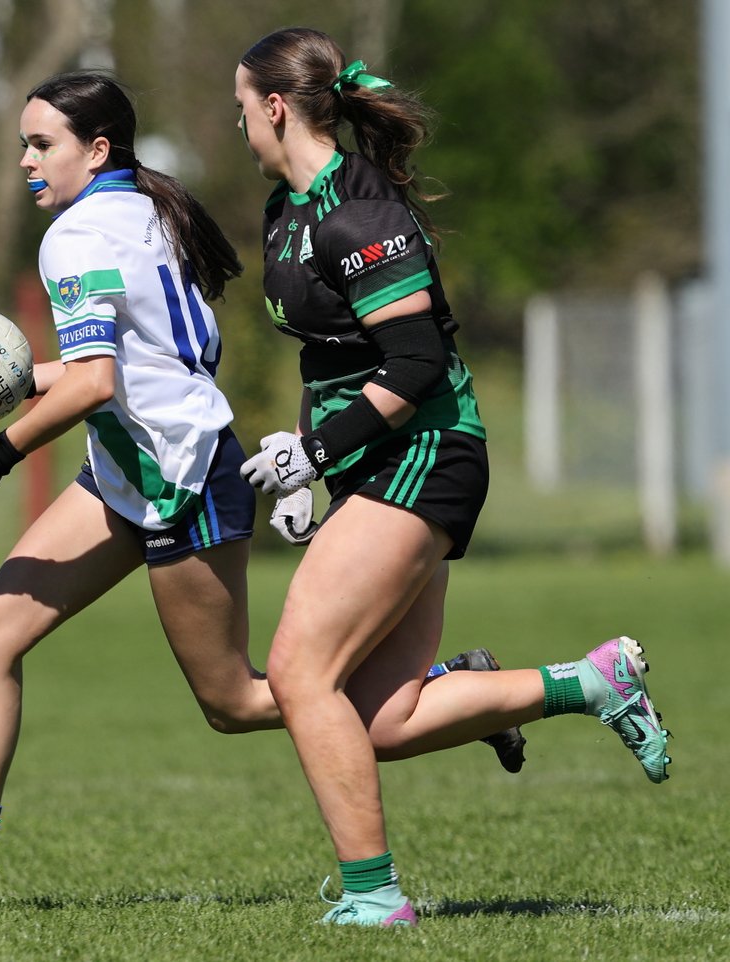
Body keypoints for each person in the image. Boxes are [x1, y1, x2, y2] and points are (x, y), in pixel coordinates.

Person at [0, 70, 524, 911]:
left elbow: (97, 384)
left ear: (96, 151)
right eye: (23, 142)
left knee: (237, 702)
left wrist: (1, 452)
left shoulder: (76, 237)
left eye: (41, 144)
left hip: (180, 477)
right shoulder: (145, 209)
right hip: (129, 468)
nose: (26, 160)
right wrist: (16, 380)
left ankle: (447, 692)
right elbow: (142, 363)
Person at [233, 27, 671, 928]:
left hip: (429, 455)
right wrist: (317, 464)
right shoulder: (288, 210)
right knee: (383, 720)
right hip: (377, 460)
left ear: (276, 107)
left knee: (297, 672)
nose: (237, 126)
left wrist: (312, 456)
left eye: (240, 107)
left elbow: (415, 361)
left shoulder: (360, 213)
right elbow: (334, 362)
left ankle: (374, 898)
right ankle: (589, 683)